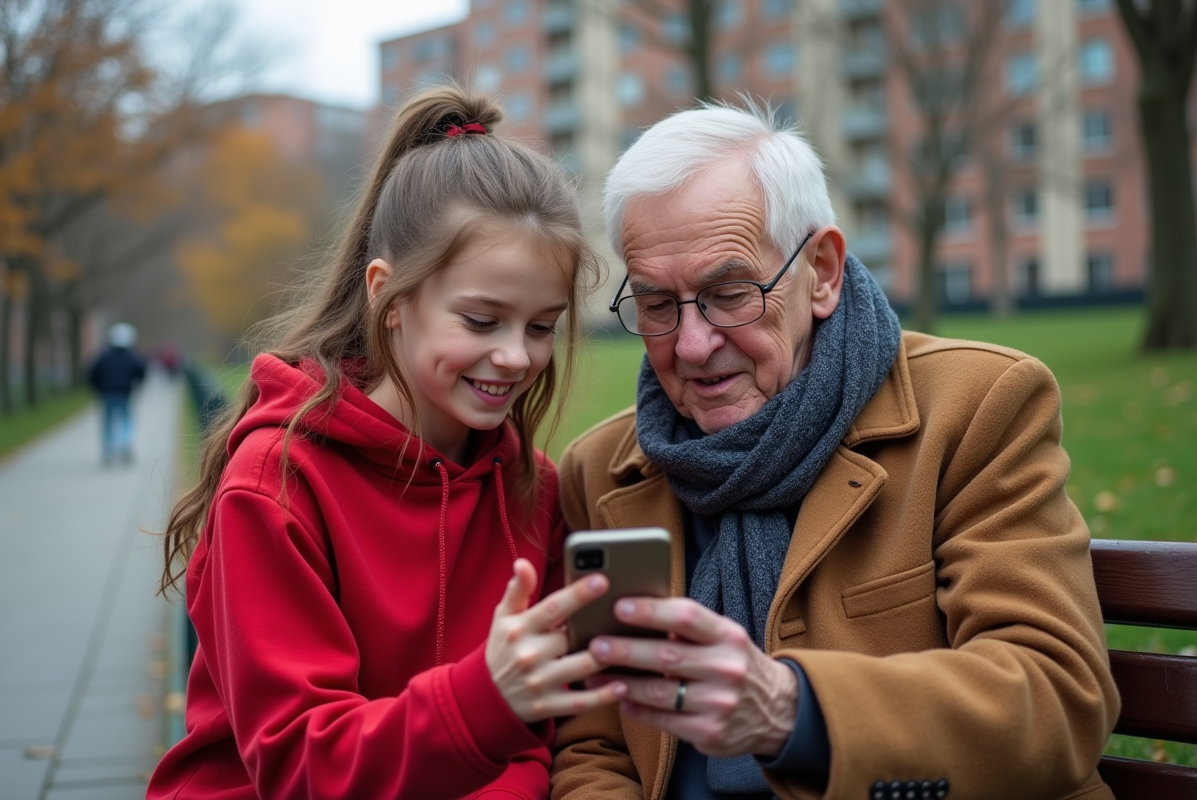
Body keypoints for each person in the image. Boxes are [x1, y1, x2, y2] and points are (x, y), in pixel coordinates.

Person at [550, 101, 1119, 800]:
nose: (693, 346)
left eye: (730, 292)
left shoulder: (976, 407)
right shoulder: (600, 471)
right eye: (657, 304)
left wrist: (792, 708)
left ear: (821, 271)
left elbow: (1056, 699)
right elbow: (595, 748)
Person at [147, 86, 621, 800]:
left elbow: (536, 745)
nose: (518, 357)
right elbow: (301, 763)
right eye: (483, 320)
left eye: (540, 325)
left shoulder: (534, 490)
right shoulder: (274, 485)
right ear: (389, 298)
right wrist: (483, 701)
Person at [88, 322, 146, 465]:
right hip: (124, 393)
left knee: (107, 423)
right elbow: (141, 371)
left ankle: (108, 450)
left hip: (106, 394)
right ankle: (125, 443)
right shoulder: (131, 357)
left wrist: (97, 388)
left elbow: (92, 373)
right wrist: (136, 383)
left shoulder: (104, 356)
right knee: (126, 419)